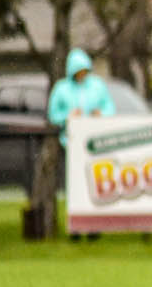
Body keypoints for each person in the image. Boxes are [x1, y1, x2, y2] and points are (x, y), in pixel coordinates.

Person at [48, 48, 115, 242]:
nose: (82, 74)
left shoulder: (97, 86)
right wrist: (67, 117)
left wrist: (100, 115)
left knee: (94, 184)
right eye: (78, 71)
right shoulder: (61, 88)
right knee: (74, 186)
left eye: (84, 70)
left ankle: (94, 226)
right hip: (70, 144)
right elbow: (53, 115)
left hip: (95, 145)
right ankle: (75, 229)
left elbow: (109, 107)